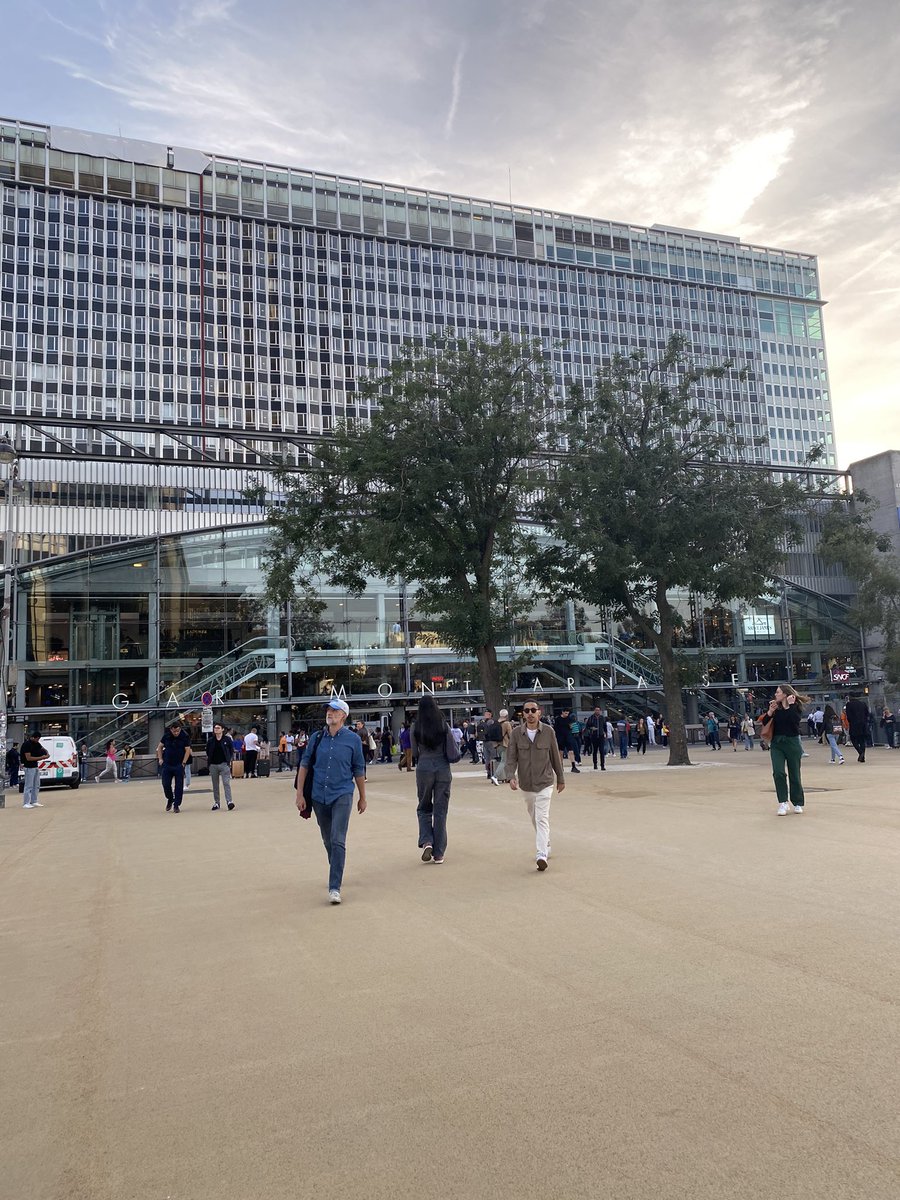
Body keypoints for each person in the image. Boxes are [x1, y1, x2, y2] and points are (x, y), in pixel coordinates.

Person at [295, 697, 367, 905]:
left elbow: (359, 769)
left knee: (337, 839)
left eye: (335, 711)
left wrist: (362, 797)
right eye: (328, 710)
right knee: (328, 840)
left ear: (344, 715)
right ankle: (336, 866)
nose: (330, 714)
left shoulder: (353, 739)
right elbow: (305, 764)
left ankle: (334, 886)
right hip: (319, 796)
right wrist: (300, 793)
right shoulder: (317, 738)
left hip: (342, 794)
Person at [505, 698, 565, 871]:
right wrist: (511, 776)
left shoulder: (548, 732)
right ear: (522, 714)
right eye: (527, 711)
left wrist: (560, 778)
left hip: (545, 782)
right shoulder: (516, 733)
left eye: (533, 710)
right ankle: (545, 842)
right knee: (534, 817)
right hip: (526, 784)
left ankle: (541, 855)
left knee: (542, 817)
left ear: (540, 712)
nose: (530, 714)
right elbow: (511, 757)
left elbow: (555, 756)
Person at [411, 695, 461, 865]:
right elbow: (451, 748)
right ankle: (439, 853)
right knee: (441, 811)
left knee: (424, 807)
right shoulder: (443, 725)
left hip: (424, 767)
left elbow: (415, 753)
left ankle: (427, 841)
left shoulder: (415, 727)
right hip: (442, 768)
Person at [760, 685, 806, 815]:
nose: (776, 694)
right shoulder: (775, 707)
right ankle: (783, 802)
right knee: (778, 772)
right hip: (777, 743)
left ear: (785, 694)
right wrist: (769, 711)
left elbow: (794, 722)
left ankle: (797, 802)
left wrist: (791, 705)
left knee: (795, 774)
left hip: (792, 742)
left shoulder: (795, 707)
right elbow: (764, 722)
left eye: (778, 692)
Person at [157, 718, 192, 812]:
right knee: (165, 784)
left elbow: (187, 750)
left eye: (177, 731)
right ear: (171, 729)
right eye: (174, 731)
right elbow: (159, 747)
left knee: (179, 786)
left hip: (179, 765)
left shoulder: (184, 736)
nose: (176, 733)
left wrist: (184, 763)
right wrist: (160, 759)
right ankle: (170, 798)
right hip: (167, 764)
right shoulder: (167, 736)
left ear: (180, 729)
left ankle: (176, 804)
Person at [206, 721, 236, 811]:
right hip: (213, 764)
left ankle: (229, 801)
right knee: (215, 785)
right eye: (215, 728)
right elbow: (208, 751)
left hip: (224, 764)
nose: (216, 729)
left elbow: (231, 750)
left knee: (226, 783)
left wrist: (228, 761)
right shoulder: (211, 740)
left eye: (218, 728)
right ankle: (217, 802)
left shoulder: (227, 739)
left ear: (222, 729)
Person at [21, 730, 49, 808]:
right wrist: (42, 757)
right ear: (33, 737)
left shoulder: (36, 743)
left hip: (35, 766)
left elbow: (43, 748)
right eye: (37, 739)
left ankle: (34, 800)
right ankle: (26, 802)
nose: (38, 740)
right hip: (28, 766)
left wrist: (46, 753)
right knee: (28, 785)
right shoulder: (27, 744)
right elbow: (28, 758)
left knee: (36, 784)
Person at [553, 708, 581, 773]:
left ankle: (573, 766)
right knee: (561, 752)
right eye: (565, 713)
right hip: (560, 737)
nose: (566, 714)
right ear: (562, 712)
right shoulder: (558, 719)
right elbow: (555, 728)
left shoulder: (569, 719)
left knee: (571, 751)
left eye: (567, 713)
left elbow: (571, 727)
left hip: (568, 737)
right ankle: (560, 767)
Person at [843, 694, 870, 763]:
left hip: (854, 724)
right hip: (863, 724)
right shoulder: (863, 704)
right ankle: (863, 755)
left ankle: (860, 752)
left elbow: (848, 716)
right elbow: (867, 713)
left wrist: (851, 721)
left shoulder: (849, 705)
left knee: (853, 739)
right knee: (862, 740)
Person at [480, 709, 503, 783]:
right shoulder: (491, 722)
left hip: (485, 741)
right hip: (490, 741)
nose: (485, 715)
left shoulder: (483, 722)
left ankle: (489, 772)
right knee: (492, 758)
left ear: (490, 714)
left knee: (488, 758)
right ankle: (492, 773)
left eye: (487, 714)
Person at [583, 706, 606, 771]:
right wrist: (591, 728)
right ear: (594, 711)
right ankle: (595, 764)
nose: (597, 711)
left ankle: (602, 765)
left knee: (602, 751)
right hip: (594, 736)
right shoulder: (591, 718)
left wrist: (605, 733)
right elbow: (587, 726)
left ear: (600, 711)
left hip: (601, 736)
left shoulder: (602, 718)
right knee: (595, 751)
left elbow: (605, 726)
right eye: (596, 710)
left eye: (598, 710)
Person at [495, 708, 513, 783]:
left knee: (504, 760)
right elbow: (511, 734)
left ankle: (507, 777)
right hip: (505, 744)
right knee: (504, 761)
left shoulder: (496, 723)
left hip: (497, 744)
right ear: (506, 715)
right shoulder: (506, 723)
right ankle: (495, 776)